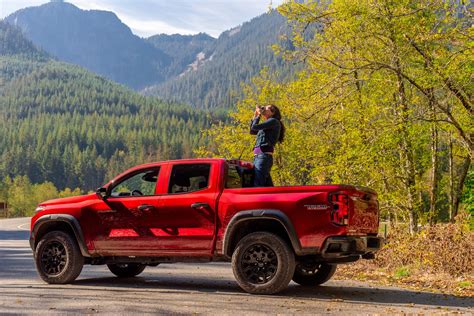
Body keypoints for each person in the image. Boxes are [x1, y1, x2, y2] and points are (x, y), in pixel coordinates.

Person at [250, 104, 285, 187]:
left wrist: (258, 115)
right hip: (259, 157)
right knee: (267, 187)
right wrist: (255, 116)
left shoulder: (273, 121)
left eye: (266, 108)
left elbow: (254, 127)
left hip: (263, 157)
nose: (264, 109)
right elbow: (252, 131)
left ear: (273, 112)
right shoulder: (268, 124)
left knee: (258, 185)